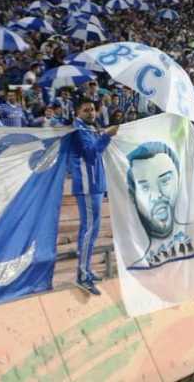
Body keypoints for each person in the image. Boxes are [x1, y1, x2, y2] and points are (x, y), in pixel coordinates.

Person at [71, 98, 118, 295]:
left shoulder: (90, 128)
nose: (91, 113)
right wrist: (106, 136)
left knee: (93, 230)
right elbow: (90, 155)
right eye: (86, 110)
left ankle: (87, 269)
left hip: (96, 185)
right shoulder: (78, 130)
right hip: (87, 186)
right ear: (77, 113)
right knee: (89, 230)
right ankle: (82, 275)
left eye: (93, 110)